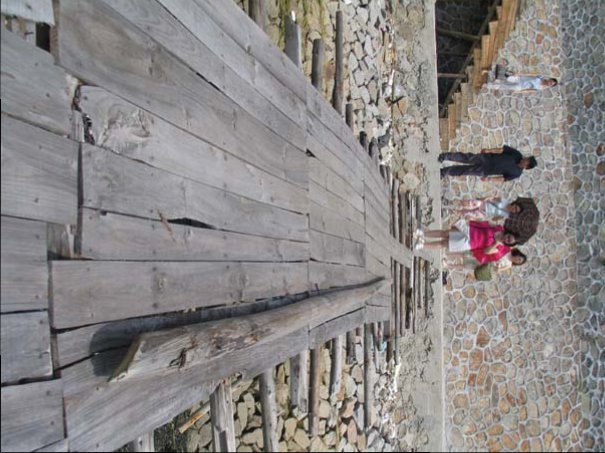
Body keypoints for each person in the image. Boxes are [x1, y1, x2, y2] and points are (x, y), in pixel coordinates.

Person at [414, 221, 518, 265]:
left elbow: (486, 251)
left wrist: (496, 243)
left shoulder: (499, 248)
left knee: (444, 244)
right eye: (509, 237)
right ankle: (423, 234)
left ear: (508, 244)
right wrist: (471, 221)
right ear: (508, 233)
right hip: (469, 231)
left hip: (469, 243)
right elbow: (485, 223)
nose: (507, 239)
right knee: (445, 233)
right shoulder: (499, 228)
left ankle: (422, 245)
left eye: (508, 241)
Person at [439, 145, 537, 182]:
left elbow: (503, 178)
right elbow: (502, 150)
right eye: (527, 158)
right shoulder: (517, 154)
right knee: (467, 158)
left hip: (486, 171)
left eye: (527, 161)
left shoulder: (517, 173)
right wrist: (489, 150)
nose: (525, 159)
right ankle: (445, 156)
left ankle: (444, 172)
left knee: (465, 171)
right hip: (486, 158)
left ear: (527, 166)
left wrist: (490, 179)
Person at [485, 65, 558, 92]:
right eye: (551, 81)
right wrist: (519, 74)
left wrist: (518, 92)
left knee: (503, 86)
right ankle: (488, 71)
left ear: (550, 86)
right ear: (550, 79)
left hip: (519, 87)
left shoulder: (540, 88)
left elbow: (528, 90)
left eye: (551, 84)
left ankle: (487, 85)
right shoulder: (541, 76)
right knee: (506, 76)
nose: (550, 83)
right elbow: (530, 74)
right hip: (519, 79)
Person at [450, 196, 523, 221]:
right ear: (515, 204)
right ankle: (451, 202)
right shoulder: (505, 201)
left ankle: (451, 211)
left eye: (516, 211)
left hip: (484, 213)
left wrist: (500, 218)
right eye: (515, 207)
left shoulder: (506, 215)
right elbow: (493, 197)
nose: (514, 209)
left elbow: (493, 219)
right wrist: (483, 199)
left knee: (466, 214)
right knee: (466, 203)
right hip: (484, 204)